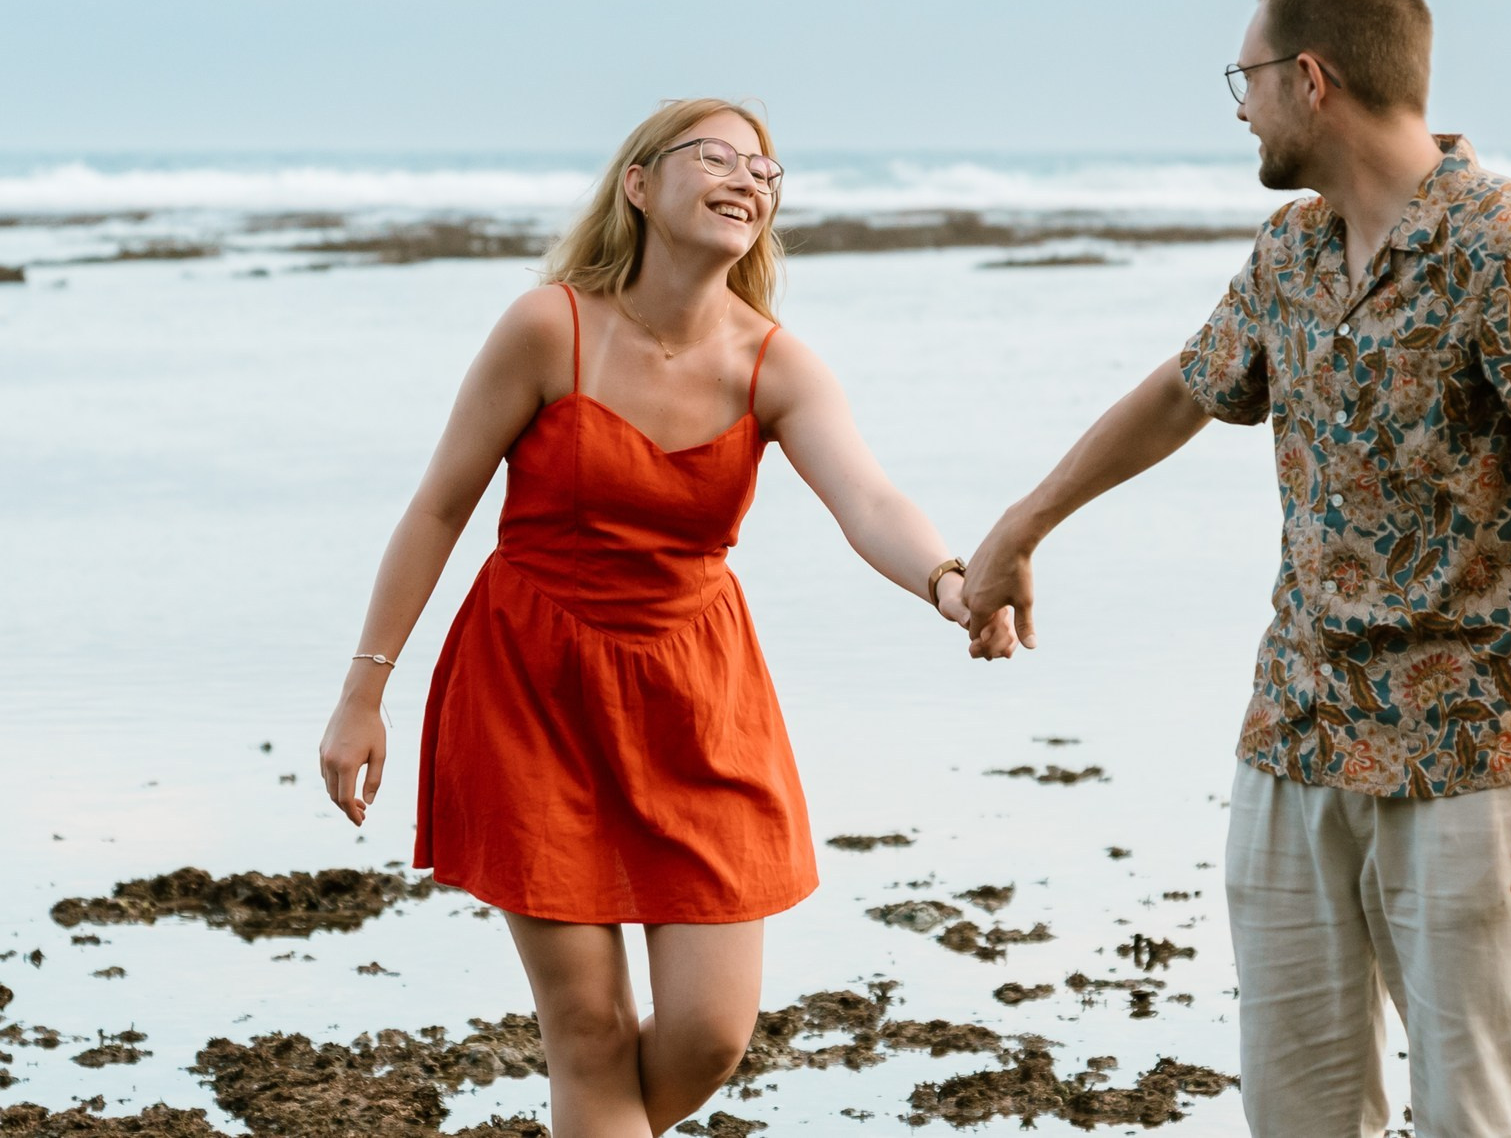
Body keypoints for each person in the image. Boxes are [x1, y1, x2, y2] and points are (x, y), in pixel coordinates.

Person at [962, 0, 1511, 1138]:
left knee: (1476, 1115)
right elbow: (1184, 393)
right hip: (1297, 731)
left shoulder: (1510, 252)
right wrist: (1021, 527)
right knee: (1296, 1110)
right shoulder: (1291, 251)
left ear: (1309, 78)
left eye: (1244, 81)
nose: (1239, 110)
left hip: (1476, 752)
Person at [319, 97, 1016, 1138]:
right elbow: (438, 507)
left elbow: (868, 499)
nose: (748, 178)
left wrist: (950, 580)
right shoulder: (545, 327)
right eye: (717, 157)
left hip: (698, 702)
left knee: (707, 1034)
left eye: (766, 171)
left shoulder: (772, 362)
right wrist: (362, 693)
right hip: (529, 687)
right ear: (639, 185)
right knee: (589, 1034)